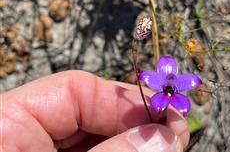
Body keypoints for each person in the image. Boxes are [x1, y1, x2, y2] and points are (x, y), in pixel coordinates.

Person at [1, 70, 189, 151]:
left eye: (173, 83)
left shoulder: (177, 96)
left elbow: (193, 83)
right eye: (168, 83)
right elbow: (149, 84)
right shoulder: (158, 96)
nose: (170, 83)